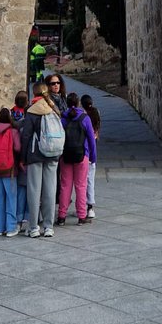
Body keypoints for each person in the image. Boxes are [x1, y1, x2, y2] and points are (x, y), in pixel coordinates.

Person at [19, 81, 61, 238]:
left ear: (34, 93)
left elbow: (26, 135)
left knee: (34, 190)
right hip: (53, 153)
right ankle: (49, 226)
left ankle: (34, 226)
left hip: (35, 154)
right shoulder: (53, 108)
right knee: (50, 190)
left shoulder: (32, 111)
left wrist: (22, 158)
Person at [56, 92, 96, 226]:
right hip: (81, 155)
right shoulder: (85, 118)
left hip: (65, 155)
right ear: (78, 103)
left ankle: (61, 216)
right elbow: (91, 140)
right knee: (81, 185)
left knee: (65, 186)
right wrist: (92, 157)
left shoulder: (63, 119)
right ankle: (81, 215)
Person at [0, 108, 20, 237]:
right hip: (9, 169)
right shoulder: (12, 131)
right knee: (11, 199)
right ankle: (11, 227)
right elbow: (18, 148)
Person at [10, 90, 29, 231]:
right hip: (27, 157)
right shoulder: (28, 118)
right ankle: (29, 216)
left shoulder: (11, 113)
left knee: (20, 188)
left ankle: (18, 216)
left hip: (15, 156)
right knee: (31, 188)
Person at [80, 93, 100, 220]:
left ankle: (81, 207)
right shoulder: (96, 113)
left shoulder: (83, 116)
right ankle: (90, 207)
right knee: (90, 180)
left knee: (80, 182)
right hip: (91, 152)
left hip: (82, 152)